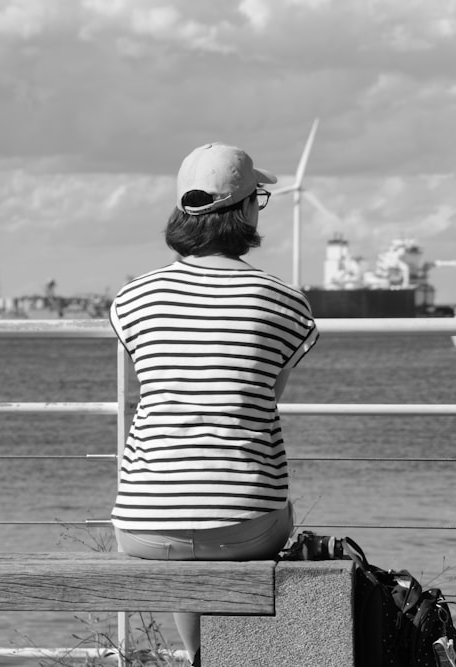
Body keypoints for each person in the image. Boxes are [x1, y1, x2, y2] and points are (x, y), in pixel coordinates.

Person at [107, 142, 319, 666]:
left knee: (184, 523)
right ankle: (233, 657)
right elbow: (267, 396)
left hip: (143, 522)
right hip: (246, 522)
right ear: (246, 210)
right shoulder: (285, 301)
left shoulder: (132, 299)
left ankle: (198, 654)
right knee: (244, 511)